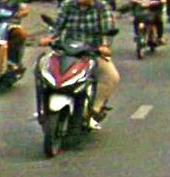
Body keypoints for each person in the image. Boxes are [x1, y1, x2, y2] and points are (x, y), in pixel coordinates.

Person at [42, 0, 121, 130]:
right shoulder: (67, 5)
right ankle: (43, 107)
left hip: (92, 53)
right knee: (43, 69)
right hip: (66, 50)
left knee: (111, 77)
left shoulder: (101, 7)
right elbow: (57, 27)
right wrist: (50, 38)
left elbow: (106, 31)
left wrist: (104, 46)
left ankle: (94, 110)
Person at [0, 0, 30, 72]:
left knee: (19, 33)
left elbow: (25, 9)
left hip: (9, 23)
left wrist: (19, 14)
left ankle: (13, 61)